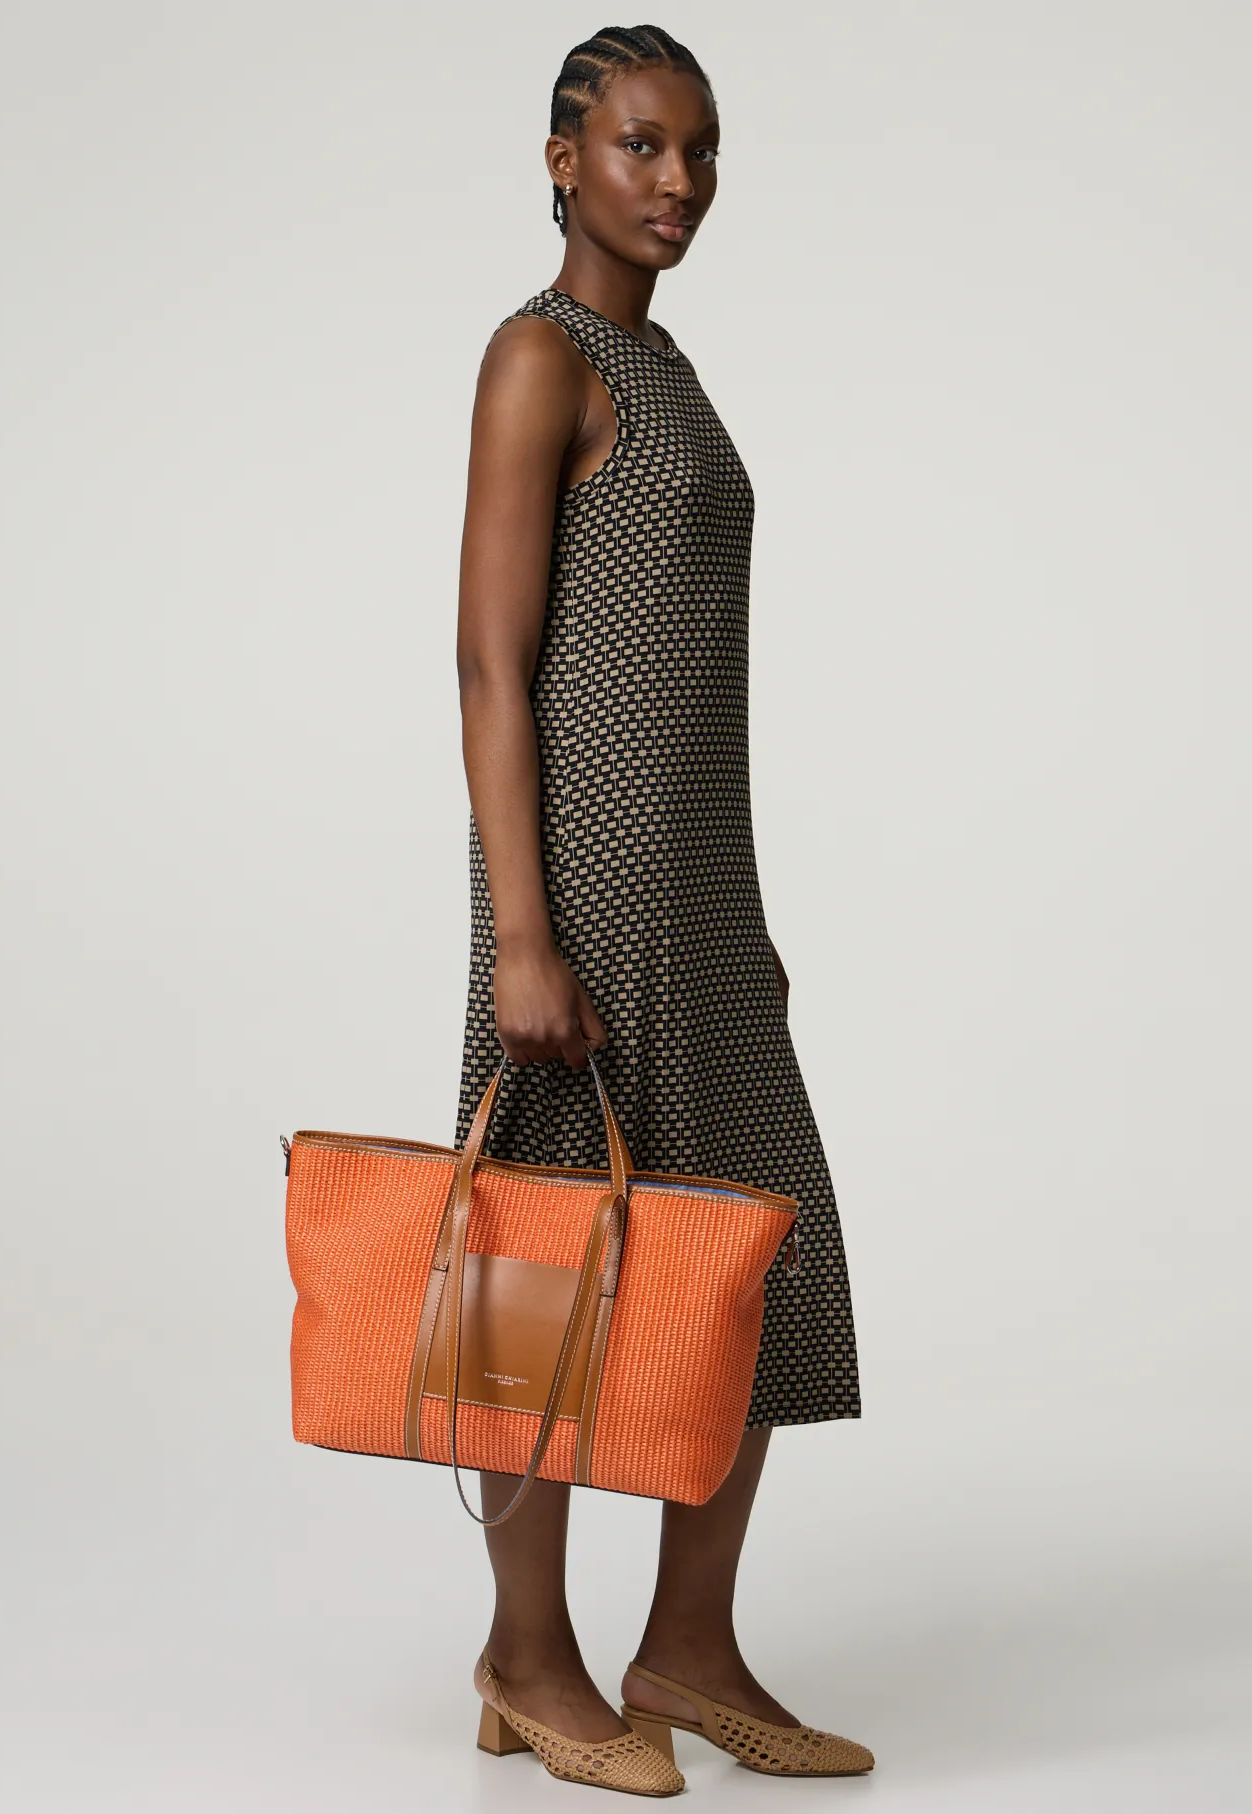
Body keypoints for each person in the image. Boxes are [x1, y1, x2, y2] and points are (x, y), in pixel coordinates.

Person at [453, 25, 870, 1795]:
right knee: (540, 1282)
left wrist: (743, 912)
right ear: (563, 159)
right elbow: (490, 664)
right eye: (641, 145)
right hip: (583, 891)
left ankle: (687, 1641)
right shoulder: (537, 356)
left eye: (700, 152)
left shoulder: (668, 364)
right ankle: (526, 1651)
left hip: (701, 899)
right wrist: (521, 933)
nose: (678, 182)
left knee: (752, 1262)